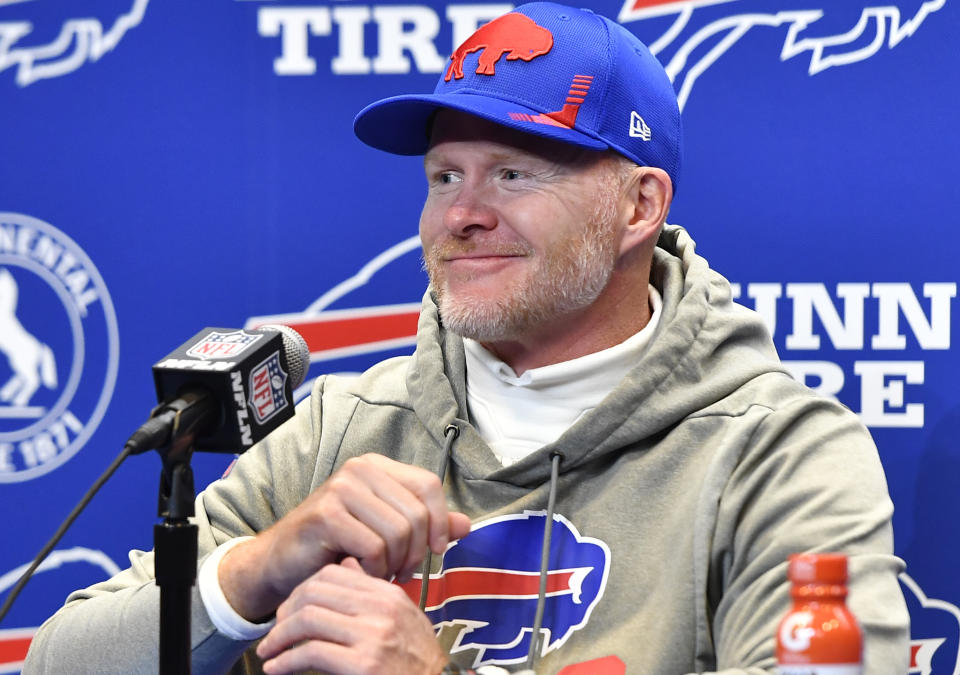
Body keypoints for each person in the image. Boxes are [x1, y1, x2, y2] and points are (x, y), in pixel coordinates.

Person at [25, 3, 909, 674]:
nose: (462, 215)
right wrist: (255, 571)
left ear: (640, 206)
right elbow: (57, 660)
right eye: (444, 174)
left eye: (515, 173)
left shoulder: (779, 454)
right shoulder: (343, 429)